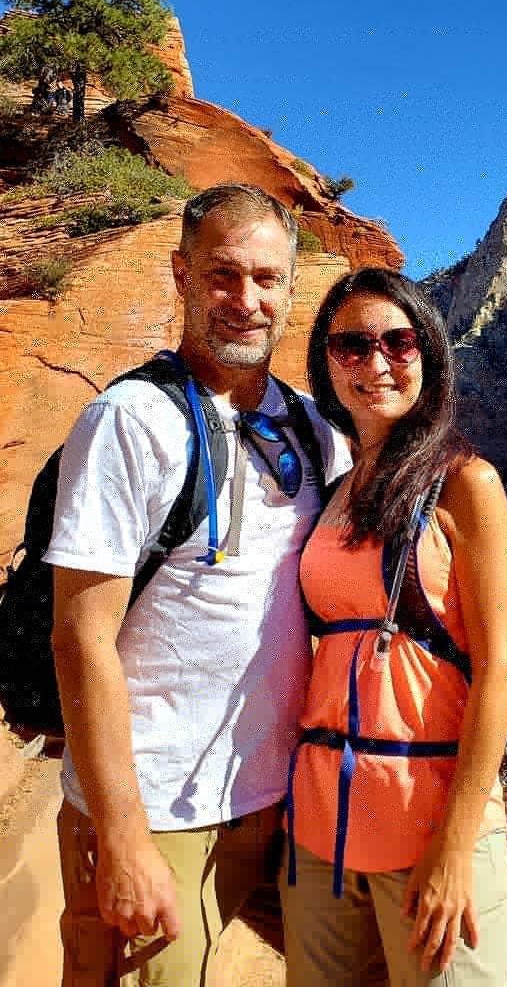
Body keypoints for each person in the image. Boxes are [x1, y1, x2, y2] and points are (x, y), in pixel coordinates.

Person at [46, 183, 348, 986]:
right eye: (222, 275)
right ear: (181, 275)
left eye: (266, 278)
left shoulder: (312, 429)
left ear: (292, 289)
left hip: (271, 802)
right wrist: (122, 839)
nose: (245, 300)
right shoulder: (130, 422)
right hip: (156, 814)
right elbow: (80, 638)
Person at [281, 268, 507, 986]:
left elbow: (500, 668)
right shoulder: (331, 493)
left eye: (399, 341)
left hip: (433, 828)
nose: (375, 363)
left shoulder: (465, 483)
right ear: (326, 361)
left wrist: (455, 847)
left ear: (430, 354)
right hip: (320, 833)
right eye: (350, 346)